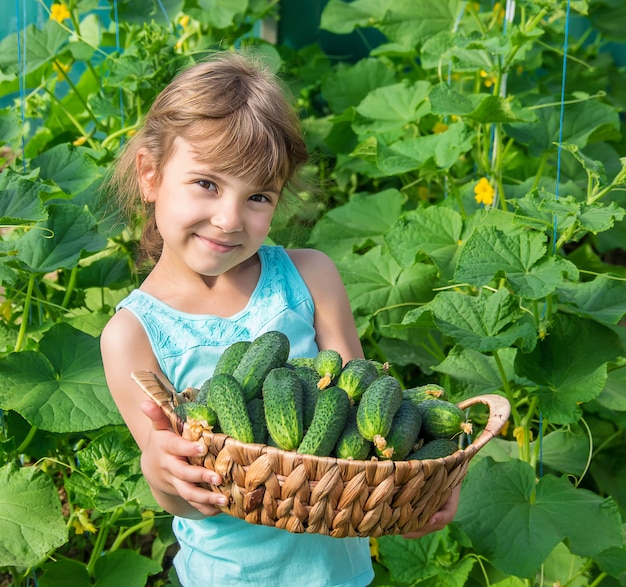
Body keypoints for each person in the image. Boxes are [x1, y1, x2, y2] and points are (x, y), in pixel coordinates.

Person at [100, 50, 460, 587]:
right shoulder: (131, 335)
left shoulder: (311, 277)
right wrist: (162, 471)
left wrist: (417, 481)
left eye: (258, 196)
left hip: (341, 574)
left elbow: (364, 414)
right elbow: (187, 501)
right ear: (151, 175)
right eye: (207, 184)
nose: (228, 218)